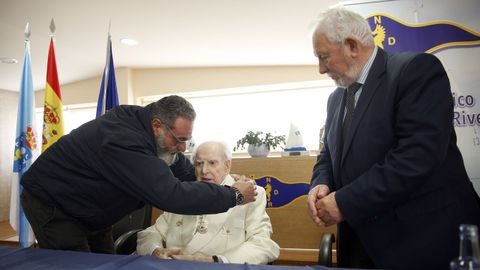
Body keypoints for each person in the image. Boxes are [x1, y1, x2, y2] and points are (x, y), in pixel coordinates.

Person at [306, 6, 480, 270]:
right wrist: (321, 183)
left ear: (352, 46)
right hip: (360, 245)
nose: (320, 69)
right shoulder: (336, 98)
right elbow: (328, 154)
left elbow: (416, 157)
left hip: (420, 241)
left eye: (323, 56)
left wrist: (344, 202)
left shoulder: (415, 71)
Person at [20, 95, 257, 253]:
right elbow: (170, 195)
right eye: (180, 140)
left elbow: (178, 165)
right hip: (55, 206)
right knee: (77, 264)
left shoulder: (149, 130)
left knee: (107, 263)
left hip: (92, 210)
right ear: (157, 125)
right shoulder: (124, 141)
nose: (184, 148)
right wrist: (232, 196)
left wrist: (228, 179)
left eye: (188, 140)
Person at [137, 141, 280, 264]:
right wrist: (155, 250)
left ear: (227, 165)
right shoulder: (184, 193)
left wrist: (218, 261)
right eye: (199, 164)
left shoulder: (251, 194)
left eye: (212, 163)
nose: (204, 170)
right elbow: (150, 234)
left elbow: (263, 245)